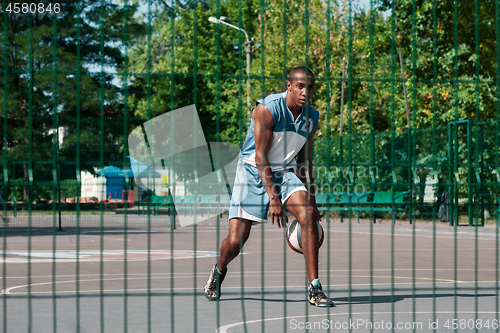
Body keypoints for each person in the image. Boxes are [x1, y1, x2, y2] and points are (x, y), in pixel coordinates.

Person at [204, 66, 334, 307]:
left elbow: (305, 160)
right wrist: (273, 198)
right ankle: (218, 271)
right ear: (289, 85)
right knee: (236, 241)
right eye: (300, 86)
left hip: (284, 172)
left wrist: (312, 200)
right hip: (252, 173)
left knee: (307, 215)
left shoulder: (311, 118)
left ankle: (315, 287)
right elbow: (260, 156)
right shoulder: (267, 109)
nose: (305, 92)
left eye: (310, 87)